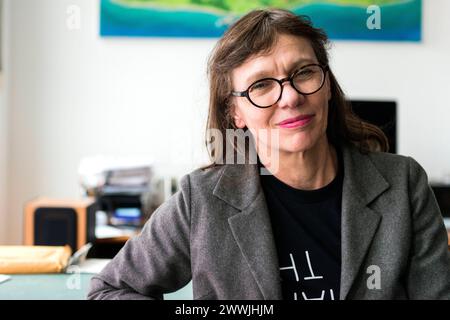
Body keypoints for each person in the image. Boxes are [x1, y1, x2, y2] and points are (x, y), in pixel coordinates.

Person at [87, 8, 450, 300]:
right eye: (261, 85)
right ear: (236, 113)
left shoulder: (403, 184)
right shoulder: (202, 200)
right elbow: (109, 290)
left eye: (304, 73)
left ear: (327, 85)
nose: (290, 97)